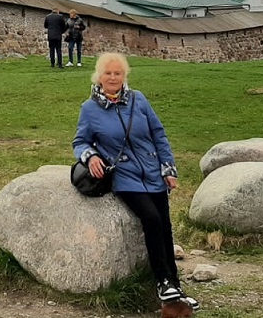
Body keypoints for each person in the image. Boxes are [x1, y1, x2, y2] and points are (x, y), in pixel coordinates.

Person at [72, 53, 199, 311]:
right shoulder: (90, 108)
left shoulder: (138, 99)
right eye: (108, 73)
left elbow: (158, 134)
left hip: (153, 173)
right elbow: (80, 142)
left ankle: (175, 288)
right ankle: (162, 281)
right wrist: (91, 156)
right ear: (99, 76)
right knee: (151, 218)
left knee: (165, 225)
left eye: (117, 73)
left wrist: (168, 169)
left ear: (124, 76)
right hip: (124, 177)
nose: (113, 78)